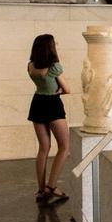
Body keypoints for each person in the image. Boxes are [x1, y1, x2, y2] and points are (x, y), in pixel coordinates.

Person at [28, 34, 72, 204]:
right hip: (52, 105)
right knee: (64, 147)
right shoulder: (55, 67)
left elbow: (42, 82)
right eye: (55, 43)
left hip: (37, 103)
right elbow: (67, 89)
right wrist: (60, 90)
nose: (57, 44)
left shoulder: (31, 66)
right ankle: (51, 187)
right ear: (50, 48)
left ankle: (41, 190)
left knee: (43, 148)